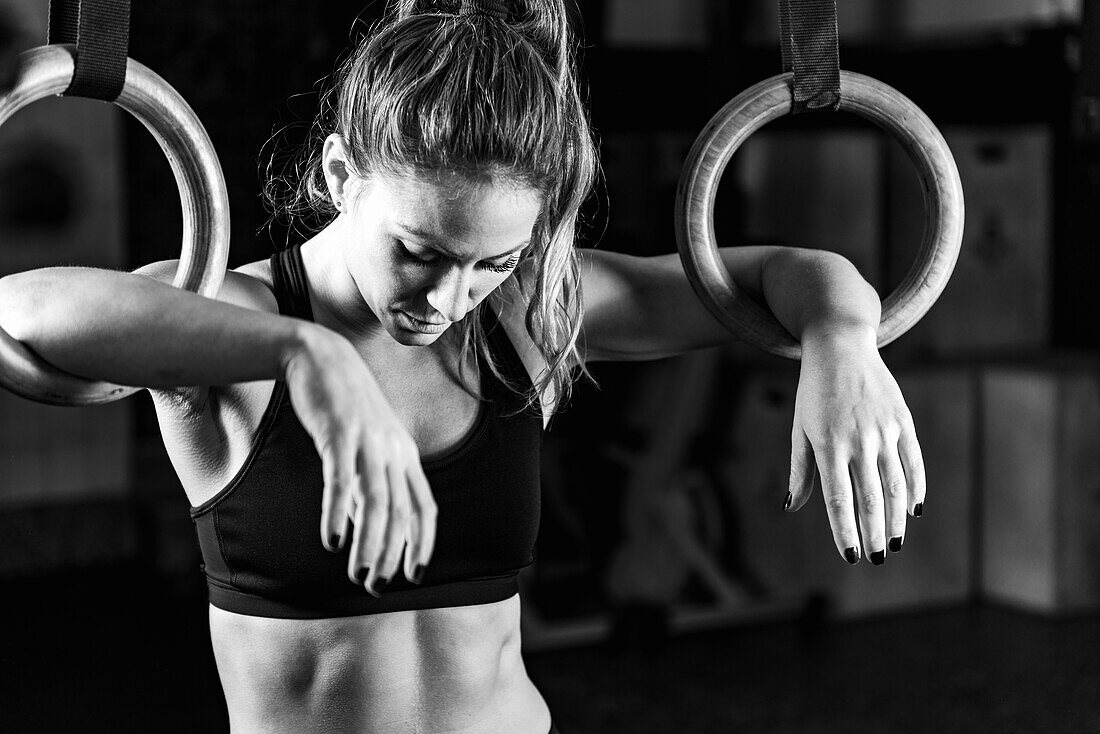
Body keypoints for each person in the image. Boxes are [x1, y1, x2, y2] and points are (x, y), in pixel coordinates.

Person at [0, 0, 925, 731]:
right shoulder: (234, 318)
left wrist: (842, 342)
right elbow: (22, 310)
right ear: (337, 174)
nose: (449, 298)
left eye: (493, 261)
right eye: (419, 250)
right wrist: (304, 352)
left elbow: (789, 278)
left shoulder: (528, 316)